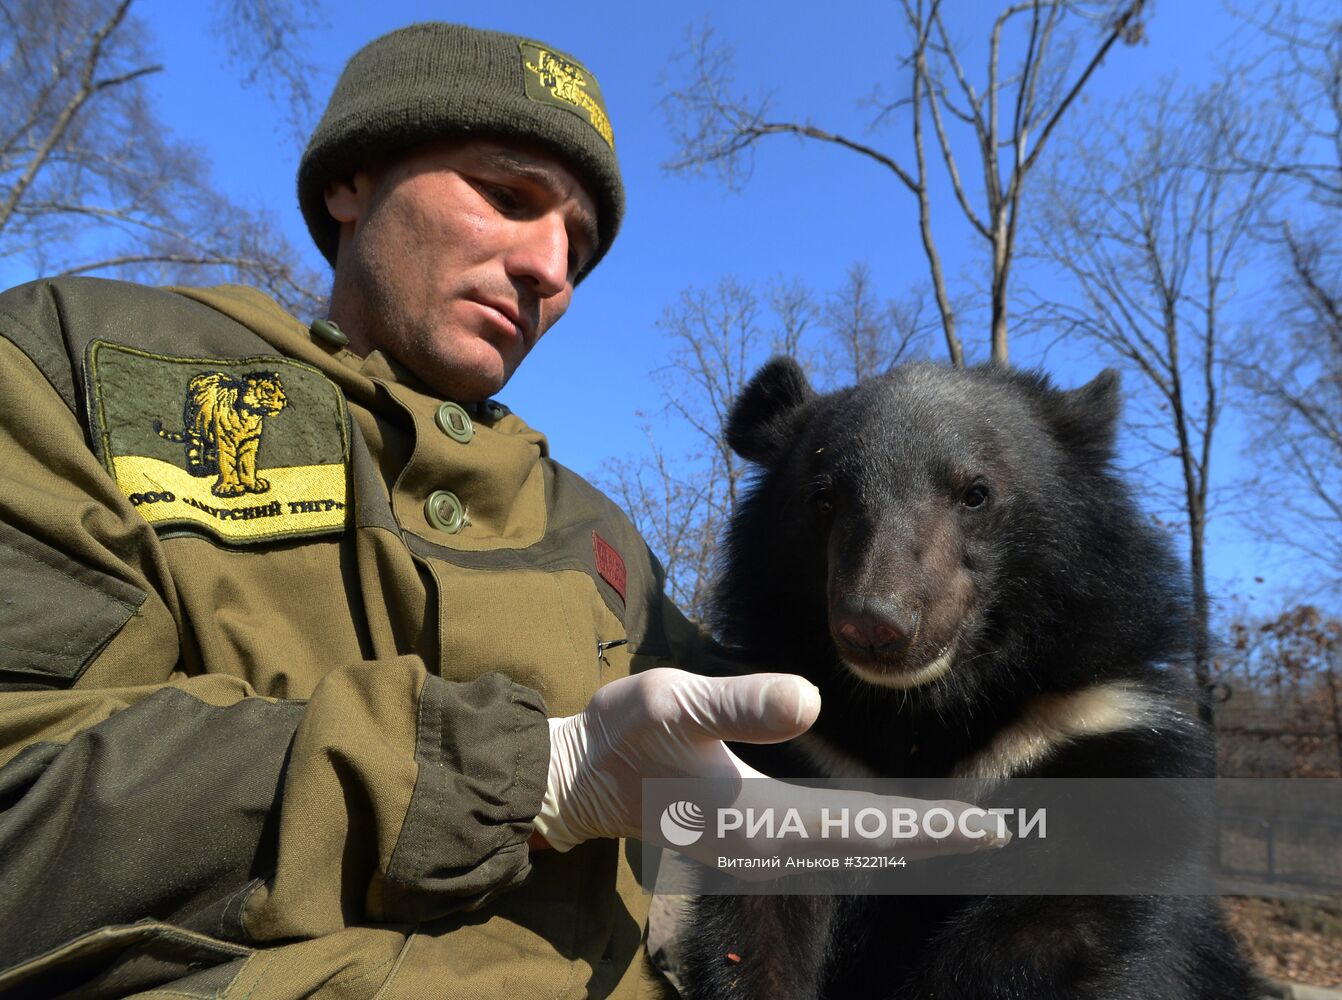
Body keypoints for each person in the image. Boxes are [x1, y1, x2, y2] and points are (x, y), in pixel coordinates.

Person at [0, 22, 994, 999]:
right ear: (351, 181)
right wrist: (527, 776)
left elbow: (811, 737)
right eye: (508, 195)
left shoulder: (599, 533)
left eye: (579, 245)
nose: (551, 271)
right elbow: (24, 812)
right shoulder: (70, 367)